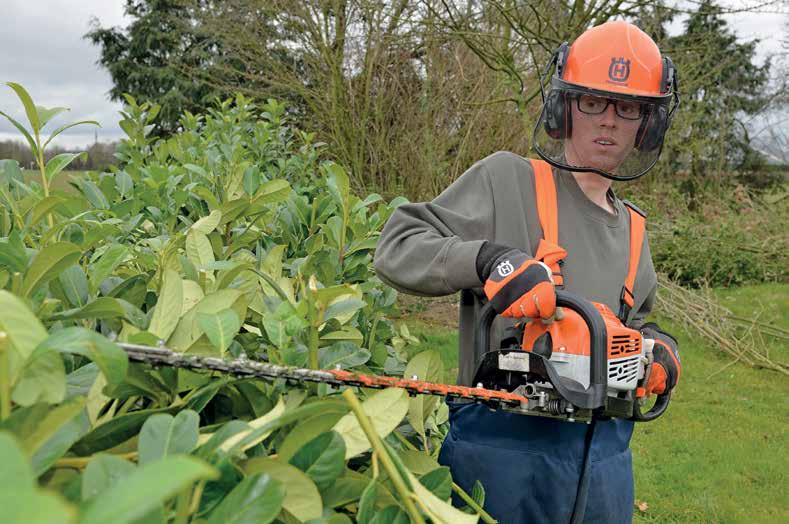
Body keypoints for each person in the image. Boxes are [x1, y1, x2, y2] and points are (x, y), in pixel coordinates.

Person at [373, 20, 682, 524]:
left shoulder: (635, 231)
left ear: (647, 124)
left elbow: (638, 324)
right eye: (592, 101)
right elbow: (397, 244)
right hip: (502, 461)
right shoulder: (506, 182)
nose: (608, 121)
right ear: (564, 108)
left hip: (604, 467)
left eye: (627, 108)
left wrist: (659, 349)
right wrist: (486, 260)